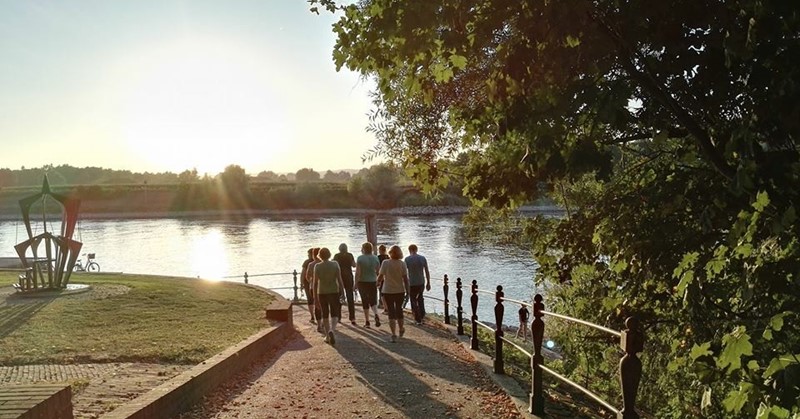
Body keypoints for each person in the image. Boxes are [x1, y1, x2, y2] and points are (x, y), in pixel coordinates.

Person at [314, 247, 345, 346]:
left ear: (320, 256)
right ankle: (332, 329)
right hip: (333, 291)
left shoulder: (317, 266)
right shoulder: (335, 264)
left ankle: (327, 335)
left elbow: (315, 283)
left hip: (322, 291)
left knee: (325, 313)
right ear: (329, 254)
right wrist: (342, 291)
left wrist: (315, 298)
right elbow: (339, 279)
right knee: (334, 312)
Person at [377, 245, 409, 343]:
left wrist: (377, 283)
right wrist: (408, 291)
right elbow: (405, 279)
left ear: (390, 253)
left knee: (391, 312)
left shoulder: (385, 263)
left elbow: (380, 276)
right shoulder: (402, 264)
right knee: (399, 310)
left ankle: (393, 334)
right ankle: (401, 328)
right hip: (399, 290)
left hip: (388, 290)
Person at [355, 242, 381, 328]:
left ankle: (367, 321)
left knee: (365, 301)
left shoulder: (360, 258)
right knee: (373, 300)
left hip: (362, 282)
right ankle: (376, 314)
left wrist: (355, 283)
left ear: (363, 249)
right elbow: (378, 272)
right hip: (373, 281)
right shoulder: (375, 258)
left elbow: (358, 273)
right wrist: (379, 281)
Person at [404, 244, 431, 325]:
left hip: (412, 282)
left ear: (409, 250)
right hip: (421, 282)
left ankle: (417, 318)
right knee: (420, 298)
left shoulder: (407, 259)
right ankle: (422, 315)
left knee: (413, 300)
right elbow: (426, 271)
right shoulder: (422, 258)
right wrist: (428, 282)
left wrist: (404, 284)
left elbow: (405, 273)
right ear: (416, 249)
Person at [333, 243, 357, 325]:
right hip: (349, 277)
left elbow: (334, 265)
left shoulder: (336, 256)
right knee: (350, 297)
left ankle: (339, 317)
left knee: (339, 296)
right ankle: (352, 318)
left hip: (340, 277)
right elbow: (354, 265)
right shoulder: (350, 255)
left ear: (339, 249)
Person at [305, 247, 323, 333]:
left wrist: (311, 281)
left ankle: (319, 324)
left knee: (316, 304)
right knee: (323, 304)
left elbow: (307, 276)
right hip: (323, 287)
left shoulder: (311, 265)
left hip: (313, 287)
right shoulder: (323, 263)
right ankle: (323, 320)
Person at [300, 248, 316, 324]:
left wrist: (301, 283)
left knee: (310, 300)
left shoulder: (307, 262)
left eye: (308, 254)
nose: (308, 255)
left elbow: (303, 273)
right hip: (317, 283)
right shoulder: (318, 261)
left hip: (308, 283)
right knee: (317, 299)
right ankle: (319, 315)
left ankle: (312, 316)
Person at [377, 244, 389, 313]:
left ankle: (384, 306)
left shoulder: (378, 258)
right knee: (386, 292)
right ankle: (387, 306)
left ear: (380, 250)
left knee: (381, 292)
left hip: (381, 276)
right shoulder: (388, 257)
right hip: (388, 277)